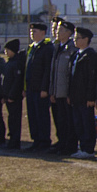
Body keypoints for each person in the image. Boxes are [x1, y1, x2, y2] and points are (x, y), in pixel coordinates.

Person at [67, 28, 97, 159]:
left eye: (77, 38)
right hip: (76, 96)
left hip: (85, 97)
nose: (75, 40)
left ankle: (88, 148)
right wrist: (70, 94)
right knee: (78, 123)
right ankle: (82, 146)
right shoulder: (75, 55)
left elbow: (92, 78)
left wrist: (91, 97)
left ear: (86, 39)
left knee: (87, 123)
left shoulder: (91, 56)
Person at [23, 23, 55, 152]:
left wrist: (44, 88)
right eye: (31, 31)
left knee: (42, 115)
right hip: (31, 88)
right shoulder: (32, 48)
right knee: (32, 116)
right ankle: (36, 140)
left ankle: (44, 140)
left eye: (35, 31)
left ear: (43, 33)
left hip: (40, 89)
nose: (32, 33)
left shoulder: (47, 48)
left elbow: (47, 70)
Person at [49, 21, 78, 156]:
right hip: (56, 90)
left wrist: (69, 93)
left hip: (65, 91)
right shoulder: (57, 47)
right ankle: (61, 142)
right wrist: (52, 90)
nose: (57, 32)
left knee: (68, 120)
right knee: (59, 119)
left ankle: (69, 144)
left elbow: (70, 73)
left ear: (68, 33)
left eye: (61, 30)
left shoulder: (72, 49)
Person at [0, 39, 25, 150]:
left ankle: (15, 141)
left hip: (14, 97)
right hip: (8, 96)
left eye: (8, 50)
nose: (6, 52)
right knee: (10, 119)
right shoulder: (9, 62)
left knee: (15, 119)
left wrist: (12, 95)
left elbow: (17, 81)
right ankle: (11, 140)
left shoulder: (16, 63)